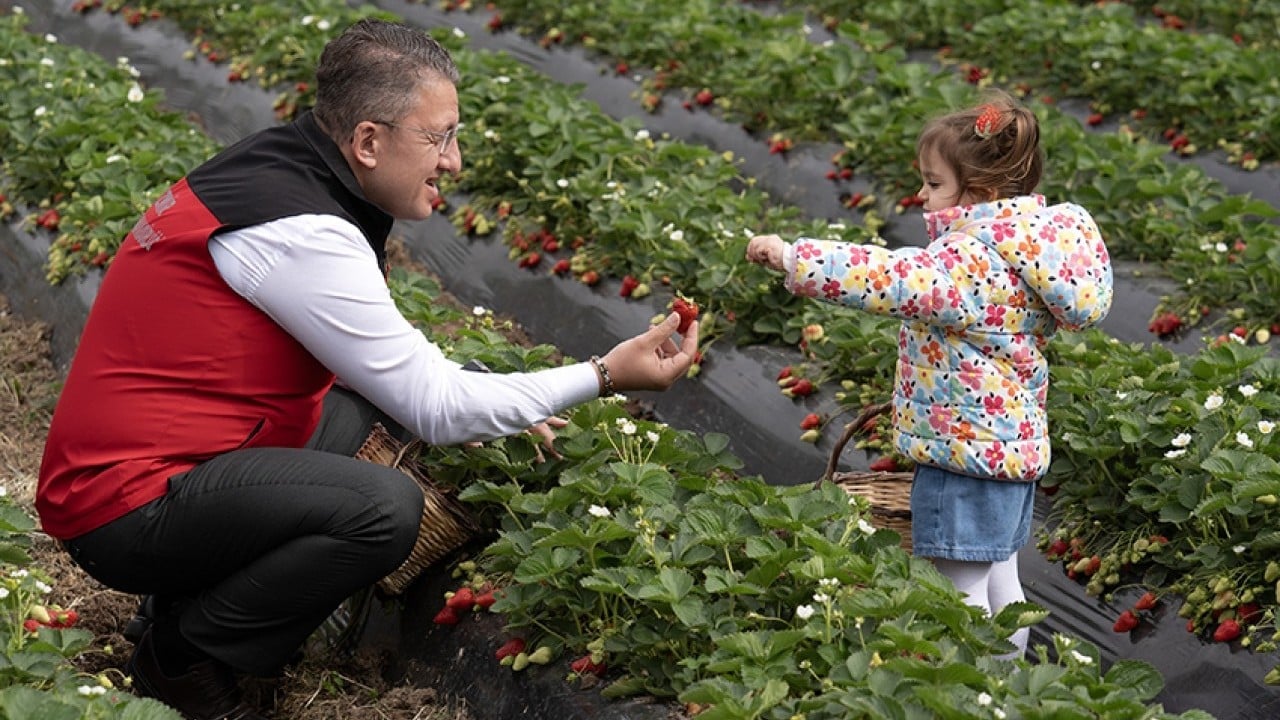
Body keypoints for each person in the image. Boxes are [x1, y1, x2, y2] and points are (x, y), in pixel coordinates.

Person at [37, 18, 699, 720]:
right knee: (383, 510)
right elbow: (436, 408)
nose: (455, 161)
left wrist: (496, 394)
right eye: (439, 138)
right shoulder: (302, 232)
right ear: (368, 142)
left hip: (153, 460)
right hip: (122, 507)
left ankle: (178, 608)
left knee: (353, 414)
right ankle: (184, 658)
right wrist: (603, 374)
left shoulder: (281, 170)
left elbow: (384, 372)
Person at [745, 90, 1112, 658]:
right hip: (1011, 452)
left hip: (964, 454)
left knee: (956, 589)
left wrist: (795, 258)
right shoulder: (1031, 249)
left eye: (935, 183)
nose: (922, 195)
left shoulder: (970, 259)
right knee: (1002, 583)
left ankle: (968, 686)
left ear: (981, 193)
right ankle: (1008, 684)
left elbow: (888, 275)